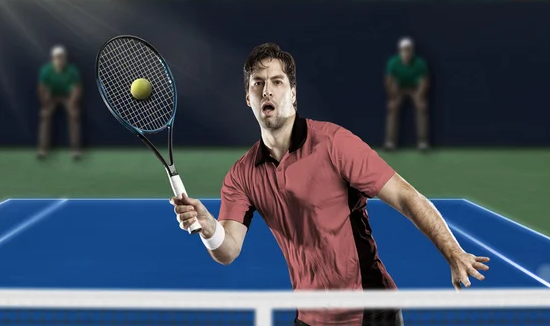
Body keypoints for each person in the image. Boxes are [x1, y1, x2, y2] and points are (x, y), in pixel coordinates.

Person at [170, 43, 489, 326]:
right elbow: (228, 251)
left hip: (371, 311)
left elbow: (405, 196)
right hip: (311, 317)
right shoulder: (242, 175)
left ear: (293, 94)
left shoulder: (334, 144)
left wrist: (452, 251)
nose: (267, 90)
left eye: (277, 82)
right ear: (248, 97)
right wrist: (208, 227)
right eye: (258, 83)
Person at [384, 37, 430, 151]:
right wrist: (393, 97)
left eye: (408, 50)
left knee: (421, 107)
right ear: (400, 51)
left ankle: (422, 142)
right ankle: (390, 142)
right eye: (404, 50)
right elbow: (389, 81)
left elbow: (424, 81)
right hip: (398, 89)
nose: (406, 53)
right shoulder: (393, 63)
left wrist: (419, 96)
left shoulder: (420, 63)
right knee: (392, 107)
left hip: (415, 89)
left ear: (412, 51)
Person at [37, 45, 82, 160]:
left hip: (67, 97)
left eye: (61, 57)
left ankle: (75, 150)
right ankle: (43, 150)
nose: (59, 60)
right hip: (51, 98)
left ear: (65, 58)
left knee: (74, 115)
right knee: (45, 115)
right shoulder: (46, 70)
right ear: (53, 58)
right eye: (57, 57)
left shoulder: (72, 70)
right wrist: (45, 102)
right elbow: (42, 88)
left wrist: (72, 104)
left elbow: (76, 89)